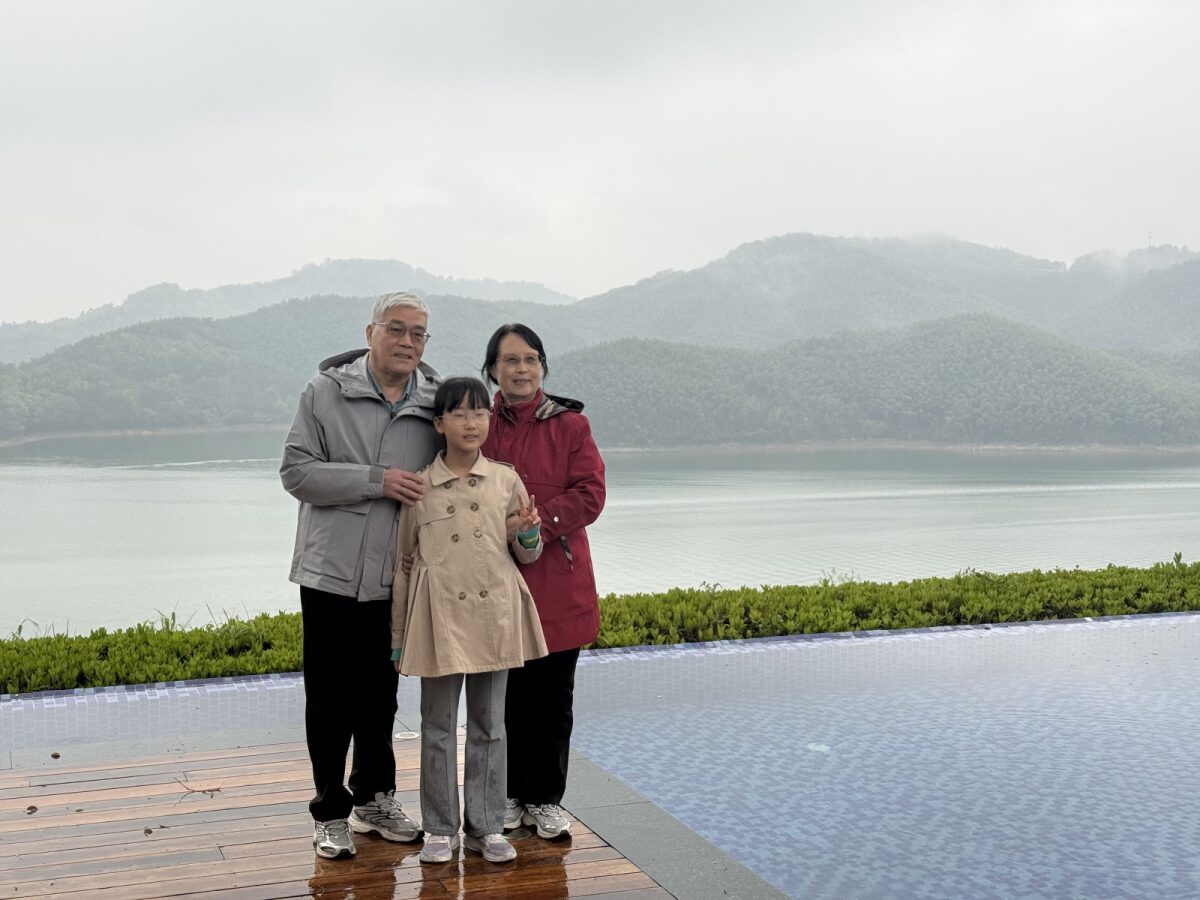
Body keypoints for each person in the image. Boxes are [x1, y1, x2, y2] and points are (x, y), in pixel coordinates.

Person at [280, 291, 440, 860]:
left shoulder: (434, 403)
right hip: (329, 573)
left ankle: (375, 799)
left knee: (381, 694)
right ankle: (330, 810)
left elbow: (464, 465)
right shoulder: (325, 392)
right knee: (329, 699)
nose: (406, 342)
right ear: (370, 332)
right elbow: (296, 473)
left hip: (396, 579)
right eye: (396, 329)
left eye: (418, 334)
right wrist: (376, 479)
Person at [391, 376, 549, 865]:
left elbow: (530, 554)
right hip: (439, 619)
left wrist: (526, 534)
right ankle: (440, 828)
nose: (471, 422)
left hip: (493, 615)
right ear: (439, 423)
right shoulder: (420, 489)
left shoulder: (506, 480)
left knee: (490, 725)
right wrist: (399, 637)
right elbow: (403, 565)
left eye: (479, 412)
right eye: (459, 413)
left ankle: (485, 826)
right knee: (436, 726)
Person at [480, 323, 606, 841]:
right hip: (497, 582)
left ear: (543, 367)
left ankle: (546, 799)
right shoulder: (477, 424)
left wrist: (540, 521)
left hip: (559, 581)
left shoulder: (571, 425)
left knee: (553, 700)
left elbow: (591, 494)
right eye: (511, 360)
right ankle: (509, 795)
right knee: (505, 700)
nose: (522, 369)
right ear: (492, 369)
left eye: (531, 359)